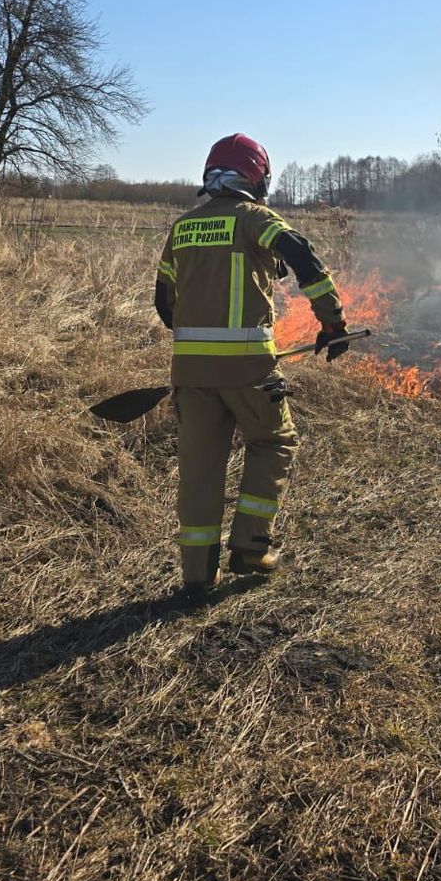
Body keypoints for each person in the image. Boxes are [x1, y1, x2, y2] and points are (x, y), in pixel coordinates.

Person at [154, 134, 350, 593]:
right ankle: (251, 547)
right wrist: (333, 323)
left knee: (200, 469)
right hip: (249, 370)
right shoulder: (254, 218)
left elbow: (164, 304)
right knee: (274, 441)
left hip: (190, 373)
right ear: (257, 177)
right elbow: (303, 257)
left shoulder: (182, 227)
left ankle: (198, 575)